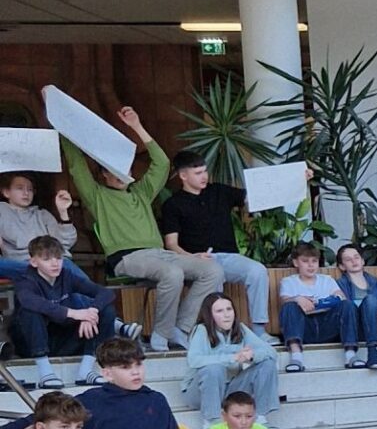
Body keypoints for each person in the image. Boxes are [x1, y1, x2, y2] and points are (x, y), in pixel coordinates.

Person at [62, 103, 222, 352]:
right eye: (111, 170)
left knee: (212, 270)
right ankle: (160, 335)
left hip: (159, 254)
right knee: (172, 273)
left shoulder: (141, 192)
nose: (119, 173)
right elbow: (76, 165)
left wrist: (136, 126)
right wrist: (64, 121)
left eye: (122, 167)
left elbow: (161, 163)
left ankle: (182, 329)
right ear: (103, 174)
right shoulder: (97, 195)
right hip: (127, 257)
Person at [157, 156, 272, 332]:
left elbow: (253, 198)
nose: (204, 176)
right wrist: (193, 258)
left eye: (205, 171)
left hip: (229, 256)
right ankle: (218, 333)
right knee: (213, 275)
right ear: (183, 176)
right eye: (198, 173)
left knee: (258, 271)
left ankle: (259, 330)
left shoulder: (218, 191)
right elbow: (171, 243)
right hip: (198, 260)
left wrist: (295, 180)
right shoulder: (173, 204)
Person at [7, 237, 135, 385]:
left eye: (58, 258)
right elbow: (30, 301)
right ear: (34, 262)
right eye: (47, 259)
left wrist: (91, 313)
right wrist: (75, 313)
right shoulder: (25, 280)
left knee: (106, 310)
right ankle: (45, 372)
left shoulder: (66, 275)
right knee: (30, 311)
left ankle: (86, 370)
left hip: (62, 340)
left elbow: (105, 293)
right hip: (31, 344)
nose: (55, 263)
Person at [185, 292, 280, 419]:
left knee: (267, 363)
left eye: (229, 309)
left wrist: (251, 356)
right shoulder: (201, 330)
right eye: (219, 311)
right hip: (201, 391)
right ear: (210, 315)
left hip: (231, 389)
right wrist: (232, 357)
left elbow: (270, 352)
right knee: (213, 368)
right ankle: (212, 423)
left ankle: (260, 418)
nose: (226, 315)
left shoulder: (240, 328)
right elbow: (194, 360)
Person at [0, 170, 78, 284]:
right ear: (6, 192)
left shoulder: (42, 215)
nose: (26, 193)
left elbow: (65, 243)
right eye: (20, 188)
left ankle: (94, 299)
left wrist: (63, 212)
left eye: (30, 189)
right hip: (20, 264)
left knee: (64, 266)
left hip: (50, 262)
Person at [276, 245, 348, 367]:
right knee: (289, 306)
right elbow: (284, 300)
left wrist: (320, 303)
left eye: (314, 261)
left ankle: (350, 354)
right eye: (305, 261)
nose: (311, 265)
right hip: (304, 330)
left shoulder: (327, 280)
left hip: (327, 326)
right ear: (295, 262)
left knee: (347, 305)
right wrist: (298, 299)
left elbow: (341, 297)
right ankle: (296, 356)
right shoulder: (288, 281)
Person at [333, 243, 377, 371]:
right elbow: (344, 309)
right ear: (341, 266)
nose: (353, 261)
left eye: (356, 257)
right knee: (370, 300)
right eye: (348, 259)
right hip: (355, 329)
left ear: (362, 261)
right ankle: (372, 353)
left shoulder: (375, 282)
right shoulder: (339, 284)